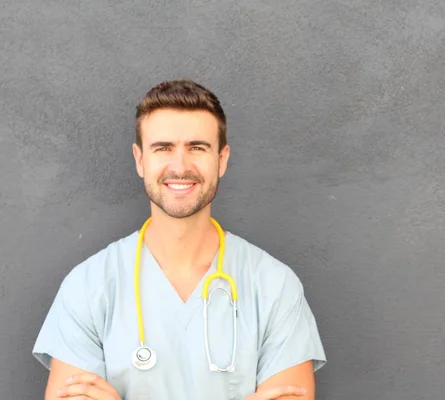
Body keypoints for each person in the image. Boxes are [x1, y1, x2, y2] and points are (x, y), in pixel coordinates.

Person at [32, 79, 327, 399]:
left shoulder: (274, 286)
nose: (180, 166)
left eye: (197, 148)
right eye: (163, 148)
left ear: (222, 159)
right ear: (140, 159)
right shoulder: (89, 286)